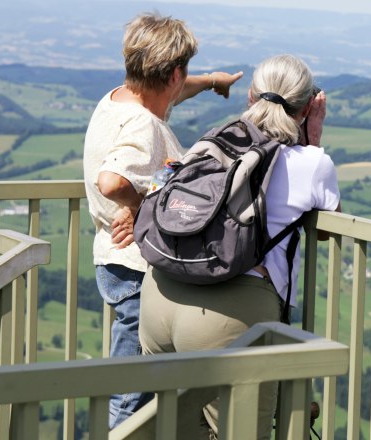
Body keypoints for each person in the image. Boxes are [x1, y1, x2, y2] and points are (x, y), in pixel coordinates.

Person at [139, 54, 341, 440]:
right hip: (230, 315)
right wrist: (313, 138)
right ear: (306, 106)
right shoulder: (313, 162)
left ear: (250, 96)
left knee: (175, 430)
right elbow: (328, 228)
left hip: (160, 295)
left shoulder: (211, 141)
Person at [82, 12, 243, 428]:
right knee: (133, 392)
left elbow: (168, 93)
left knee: (136, 385)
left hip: (113, 260)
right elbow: (112, 179)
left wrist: (210, 82)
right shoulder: (144, 123)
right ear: (173, 73)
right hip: (134, 268)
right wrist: (139, 204)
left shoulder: (119, 99)